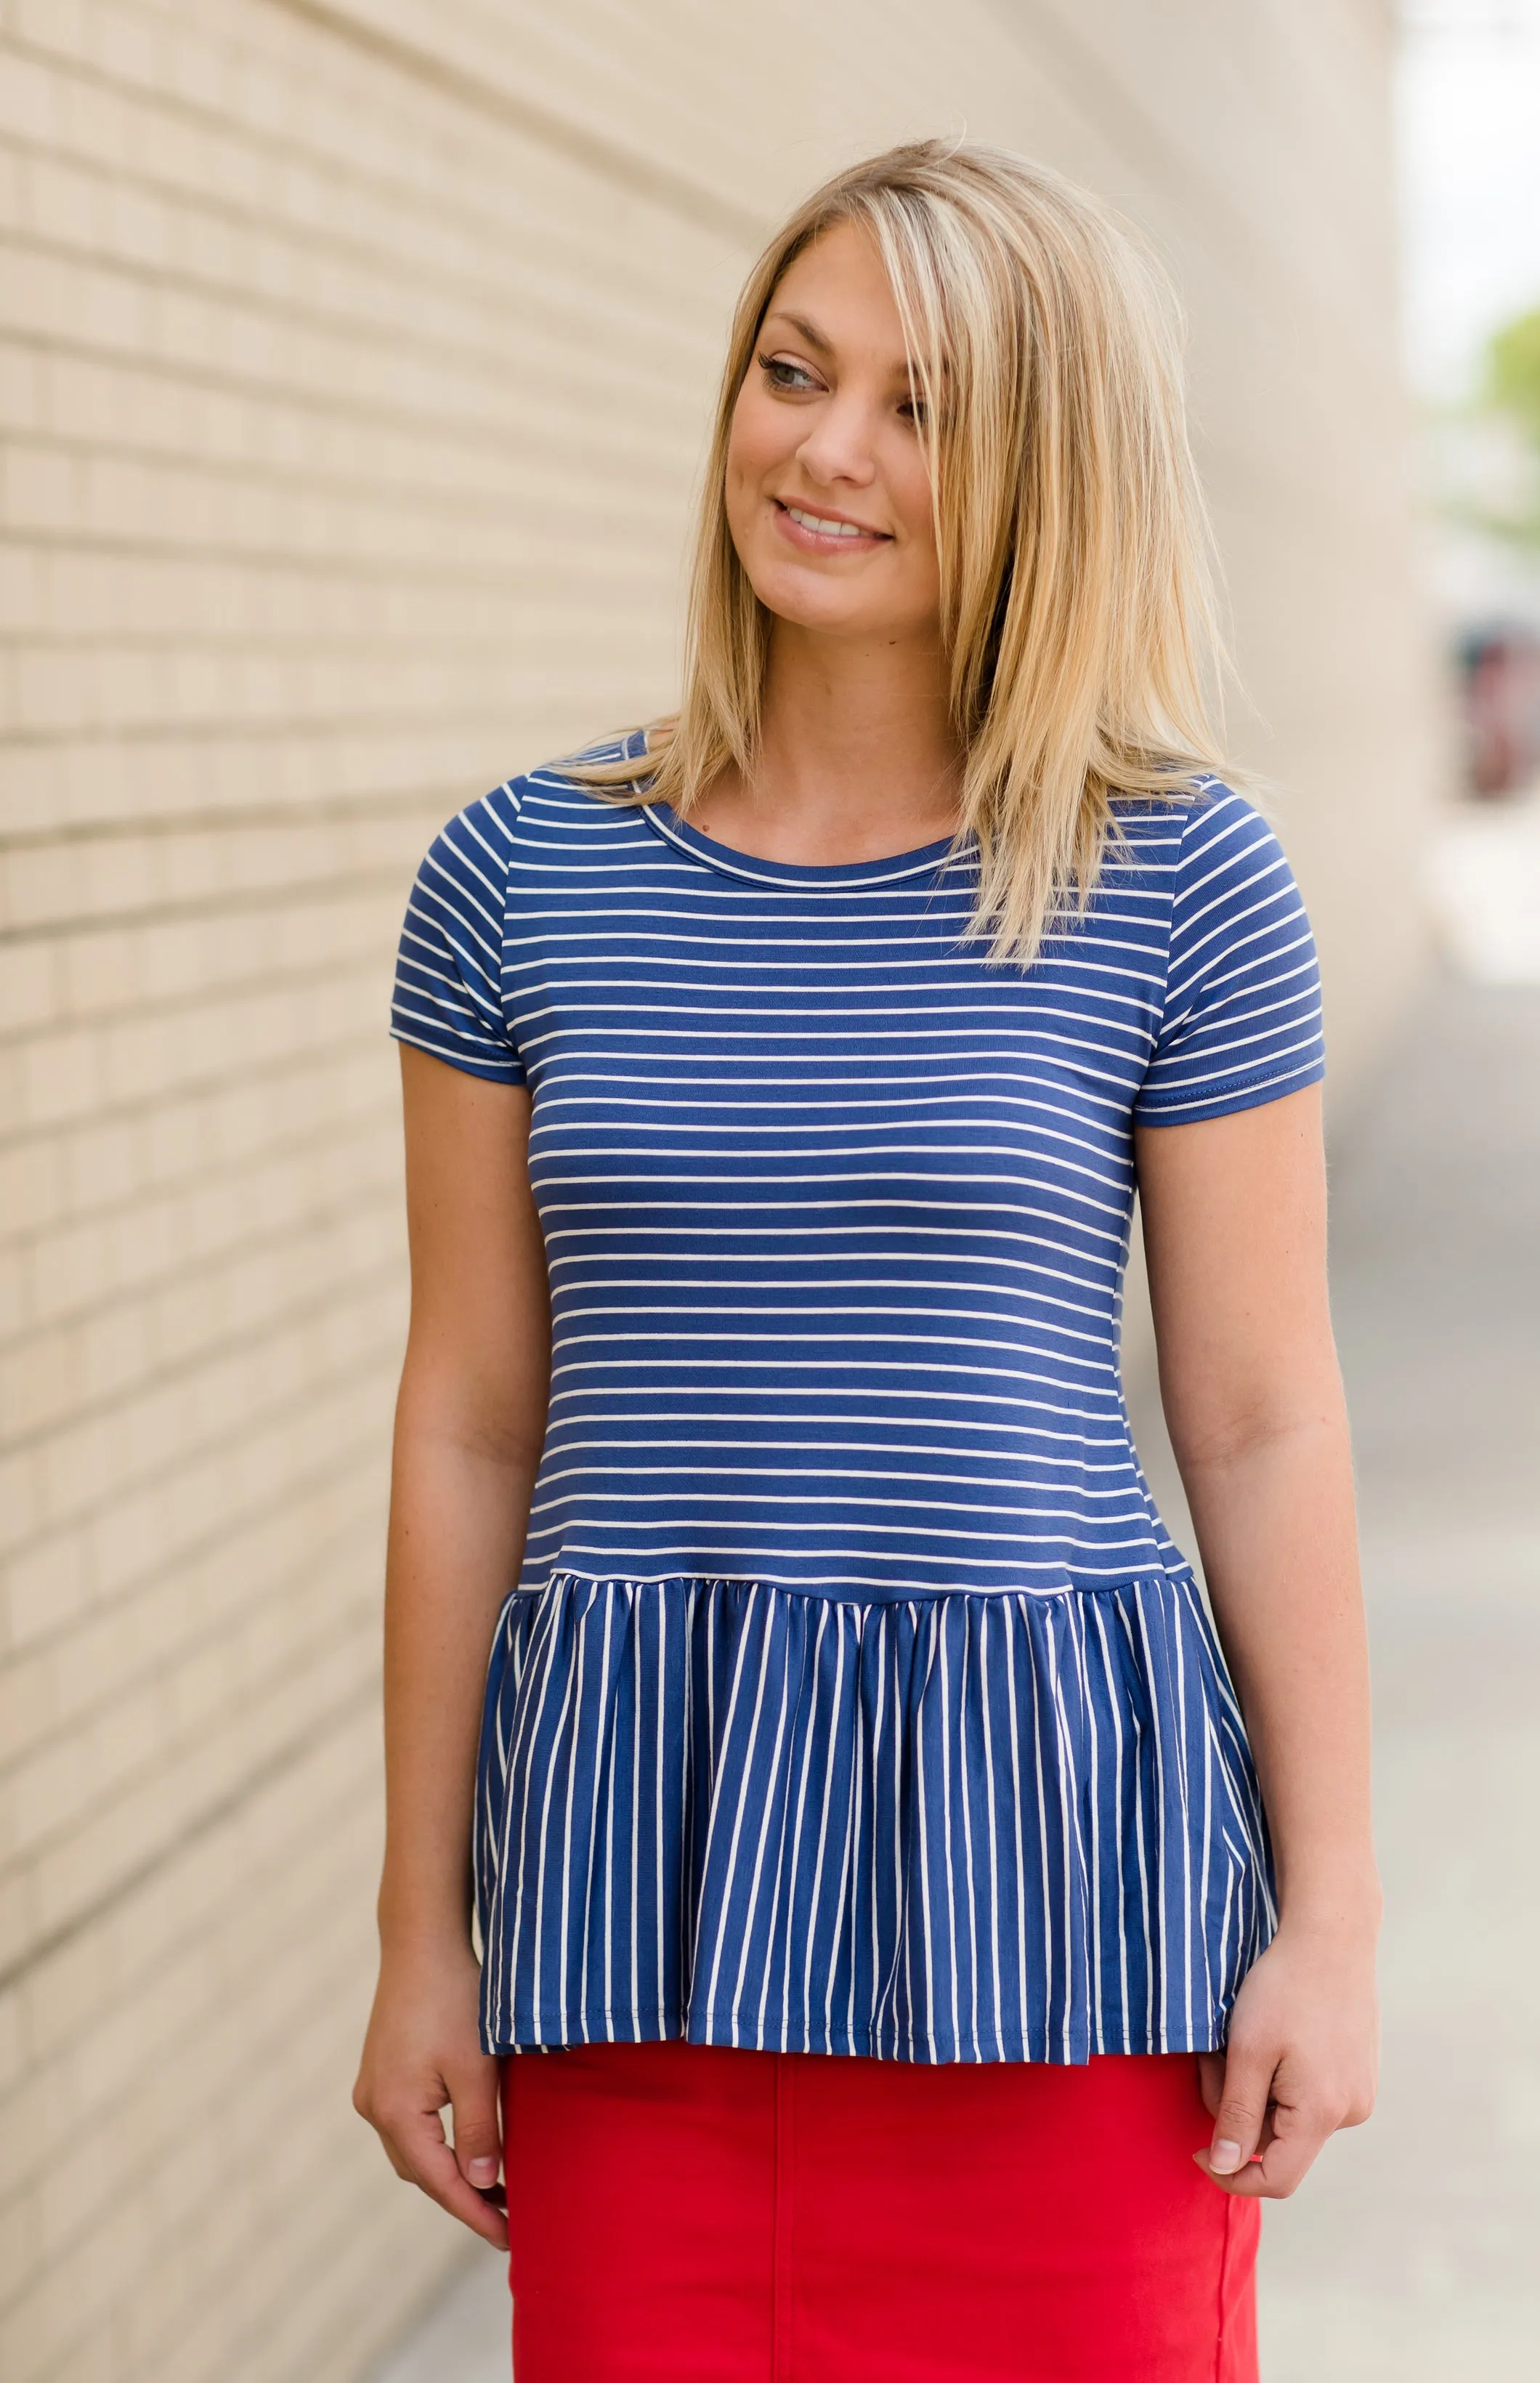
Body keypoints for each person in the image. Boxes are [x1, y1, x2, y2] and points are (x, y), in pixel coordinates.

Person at [354, 138, 1379, 2382]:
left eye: (919, 406)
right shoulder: (519, 882)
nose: (823, 450)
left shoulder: (1179, 881)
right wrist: (418, 1928)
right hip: (645, 1911)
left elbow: (1264, 1417)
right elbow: (468, 1420)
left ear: (1048, 464)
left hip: (1072, 1921)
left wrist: (1334, 1923)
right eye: (794, 371)